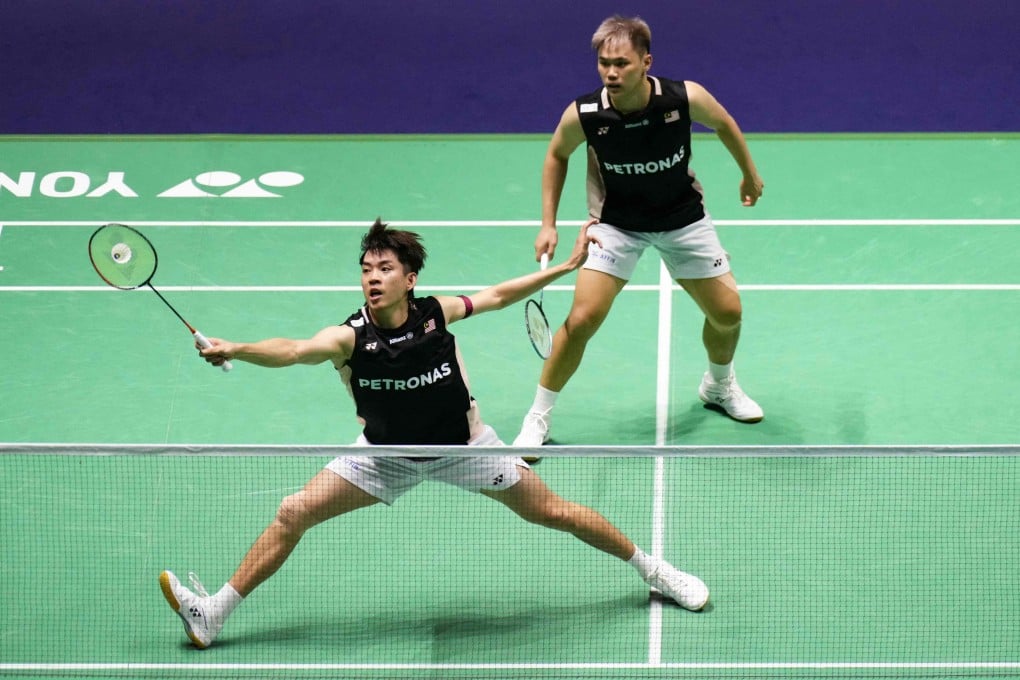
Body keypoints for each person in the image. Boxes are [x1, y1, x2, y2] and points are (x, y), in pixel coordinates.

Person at [158, 218, 709, 649]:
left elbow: (496, 295)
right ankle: (213, 613)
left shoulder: (435, 314)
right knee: (292, 512)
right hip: (385, 455)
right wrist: (237, 349)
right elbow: (296, 350)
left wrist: (565, 268)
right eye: (366, 269)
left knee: (554, 512)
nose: (373, 278)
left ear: (410, 279)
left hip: (463, 449)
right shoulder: (350, 338)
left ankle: (655, 570)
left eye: (385, 268)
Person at [514, 15, 765, 447]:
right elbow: (557, 154)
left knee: (728, 314)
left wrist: (749, 174)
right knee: (582, 319)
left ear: (646, 62)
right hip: (617, 224)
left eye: (621, 64)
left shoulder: (683, 98)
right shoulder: (586, 113)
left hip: (682, 218)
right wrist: (548, 223)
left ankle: (718, 385)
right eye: (604, 63)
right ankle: (538, 416)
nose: (611, 73)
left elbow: (724, 122)